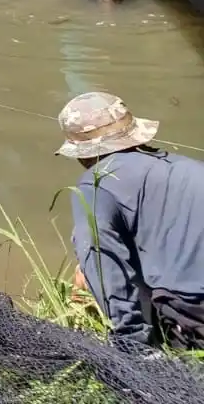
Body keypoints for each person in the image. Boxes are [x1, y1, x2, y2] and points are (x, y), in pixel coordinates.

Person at [57, 91, 204, 350]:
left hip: (192, 314)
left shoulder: (96, 183)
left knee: (85, 271)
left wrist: (133, 344)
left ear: (82, 153)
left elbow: (103, 262)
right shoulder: (190, 167)